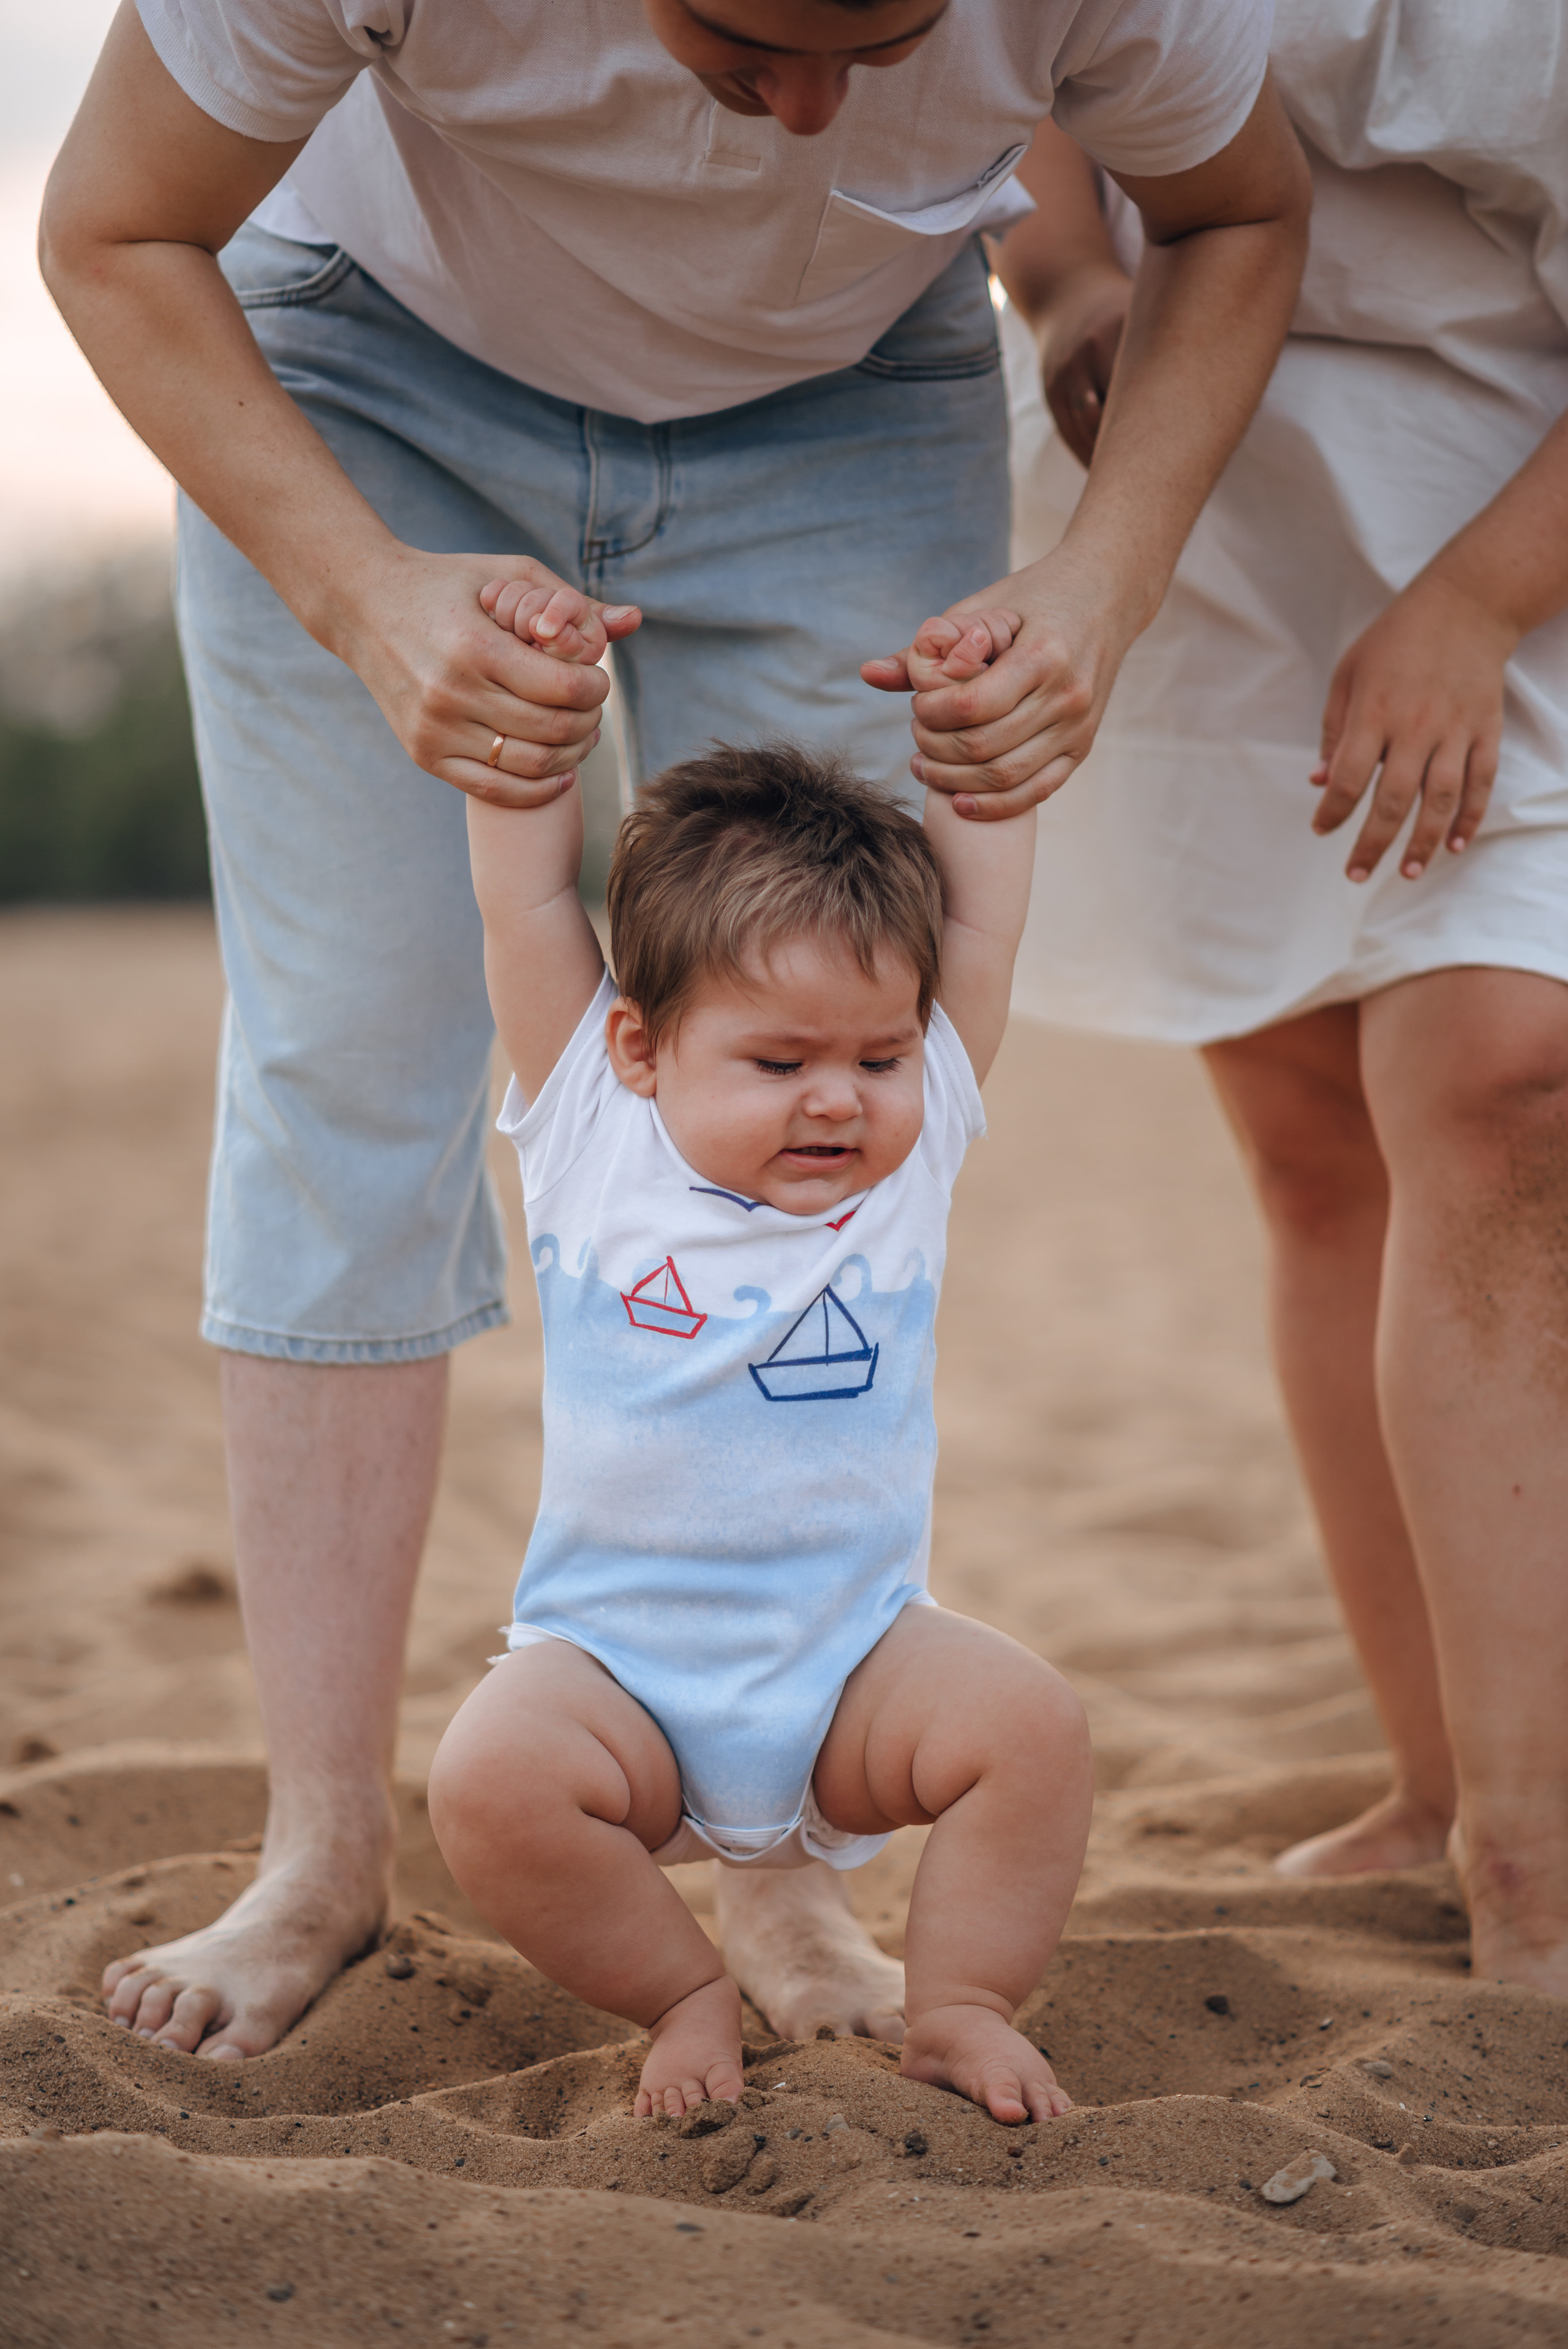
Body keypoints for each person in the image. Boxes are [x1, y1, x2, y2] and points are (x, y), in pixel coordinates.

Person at [40, 0, 1308, 2059]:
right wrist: (364, 593)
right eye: (743, 34)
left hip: (853, 395)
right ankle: (321, 1850)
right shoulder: (600, 1084)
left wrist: (1102, 582)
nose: (807, 114)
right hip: (359, 369)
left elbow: (1246, 205)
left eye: (885, 42)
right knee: (338, 1073)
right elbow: (107, 225)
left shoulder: (894, 1104)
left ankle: (790, 1886)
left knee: (833, 974)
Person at [991, 0, 1568, 1995]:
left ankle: (1535, 1848)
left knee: (1506, 1084)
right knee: (1317, 1154)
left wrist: (1475, 604)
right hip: (1194, 474)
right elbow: (1026, 60)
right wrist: (1064, 279)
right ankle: (1434, 1774)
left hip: (1521, 486)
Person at [429, 594, 1089, 2122]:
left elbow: (978, 929)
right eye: (777, 1062)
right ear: (640, 1048)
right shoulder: (594, 1133)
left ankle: (959, 2006)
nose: (838, 1100)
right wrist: (535, 716)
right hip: (619, 1681)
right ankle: (683, 1994)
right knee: (485, 1780)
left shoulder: (908, 1152)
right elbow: (523, 907)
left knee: (1031, 1730)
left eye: (876, 1056)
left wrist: (975, 742)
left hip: (853, 1665)